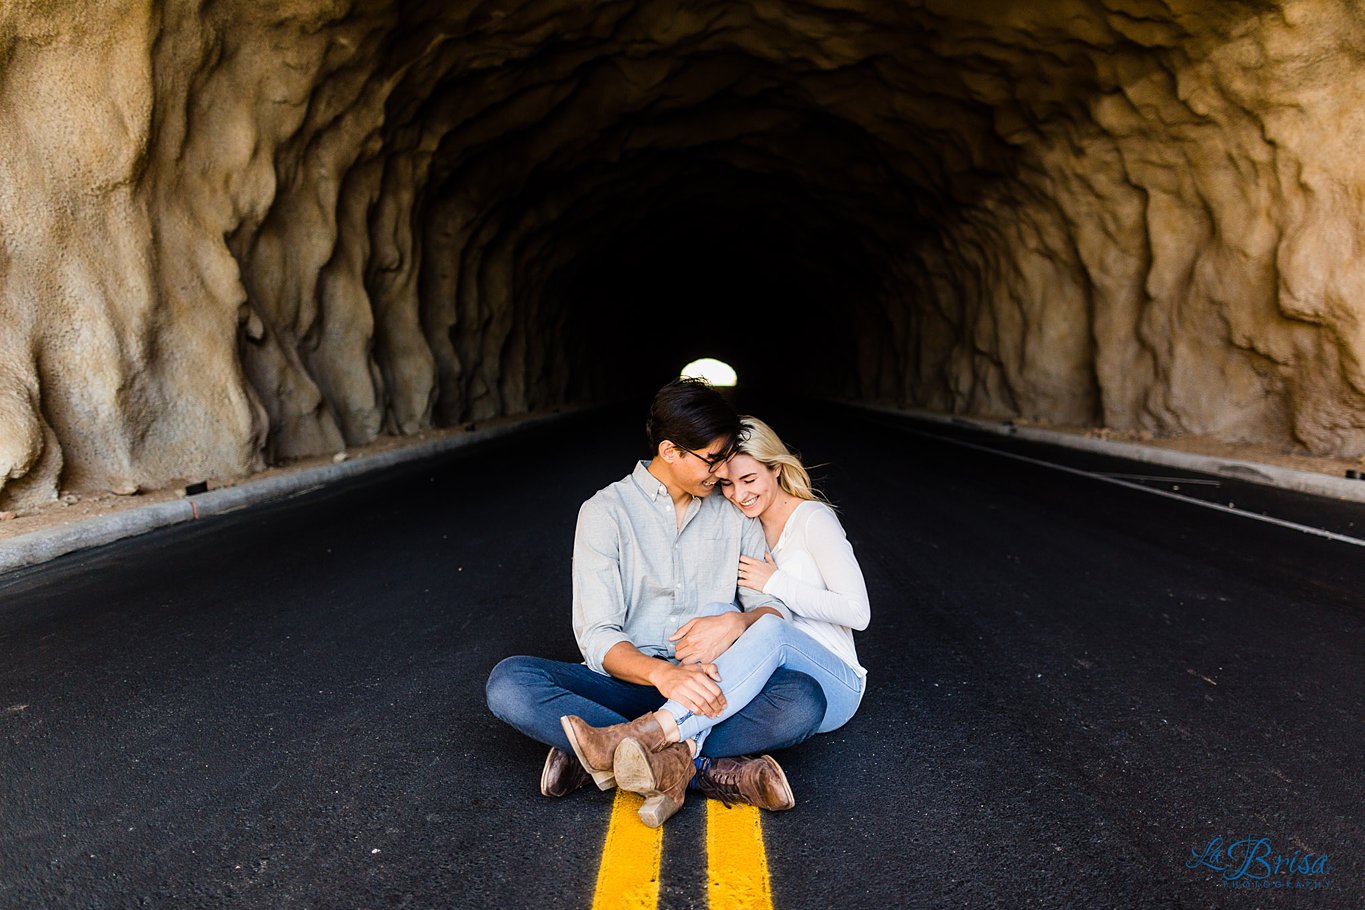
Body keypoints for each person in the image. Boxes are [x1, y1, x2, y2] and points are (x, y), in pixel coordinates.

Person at [485, 380, 828, 824]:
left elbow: (772, 609)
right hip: (629, 684)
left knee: (803, 700)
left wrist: (737, 625)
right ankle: (698, 767)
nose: (724, 472)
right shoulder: (605, 512)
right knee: (510, 682)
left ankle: (605, 753)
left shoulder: (732, 511)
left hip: (714, 685)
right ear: (670, 451)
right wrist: (663, 675)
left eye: (727, 457)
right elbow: (598, 635)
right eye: (713, 459)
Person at [559, 415, 870, 826]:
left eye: (749, 480)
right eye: (727, 482)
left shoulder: (814, 520)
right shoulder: (748, 521)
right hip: (773, 669)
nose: (738, 494)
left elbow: (858, 613)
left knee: (768, 631)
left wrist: (777, 582)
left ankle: (644, 736)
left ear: (776, 468)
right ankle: (684, 767)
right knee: (717, 613)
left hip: (832, 677)